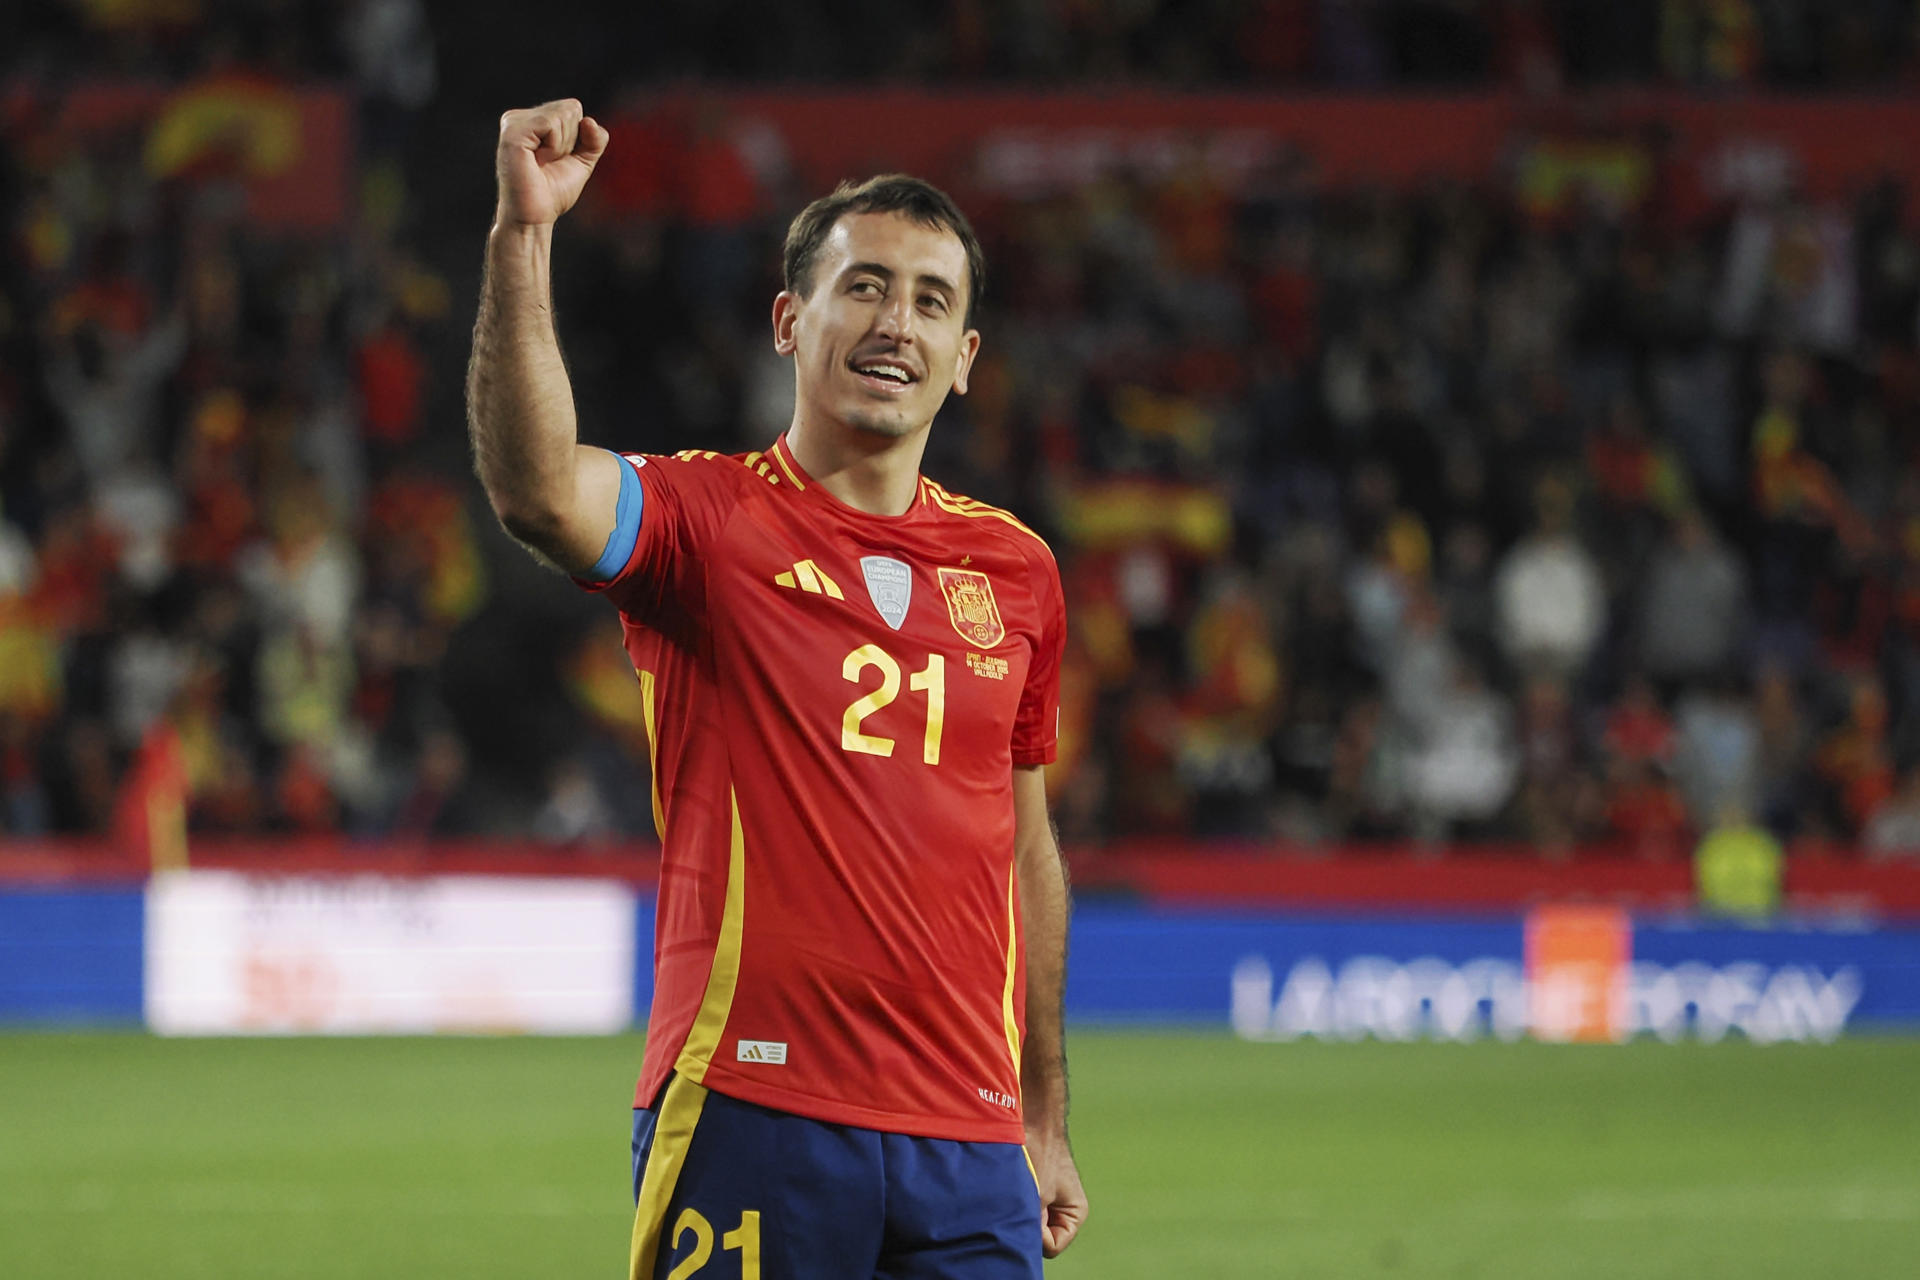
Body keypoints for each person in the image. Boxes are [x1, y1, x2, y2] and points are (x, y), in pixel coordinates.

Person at [466, 99, 1087, 1279]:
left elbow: (1026, 848)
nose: (895, 321)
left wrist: (1043, 1109)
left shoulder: (1018, 569)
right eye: (865, 286)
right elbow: (537, 489)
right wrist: (523, 234)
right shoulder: (709, 520)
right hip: (753, 1103)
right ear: (789, 321)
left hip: (969, 1134)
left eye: (932, 301)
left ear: (965, 361)